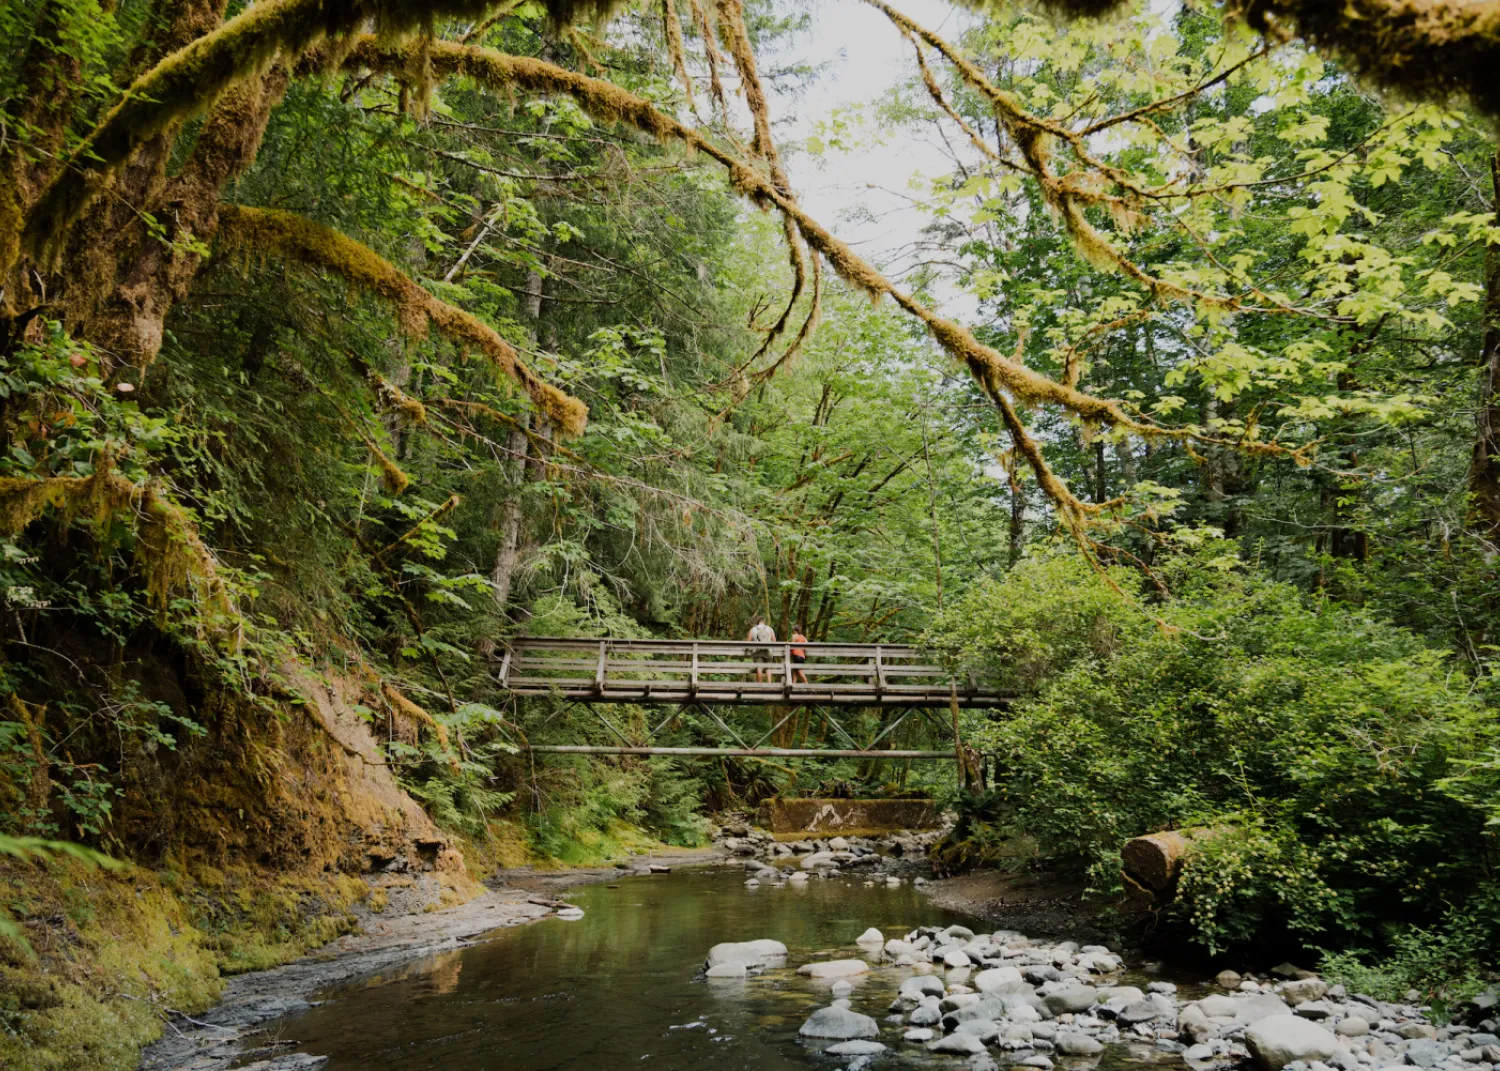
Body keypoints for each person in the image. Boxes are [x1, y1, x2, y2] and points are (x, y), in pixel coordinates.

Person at [746, 615, 777, 683]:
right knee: (768, 668)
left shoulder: (753, 629)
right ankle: (769, 685)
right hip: (768, 651)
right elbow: (774, 641)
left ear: (757, 622)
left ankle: (760, 685)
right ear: (763, 621)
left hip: (757, 651)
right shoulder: (770, 629)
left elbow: (748, 642)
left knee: (759, 668)